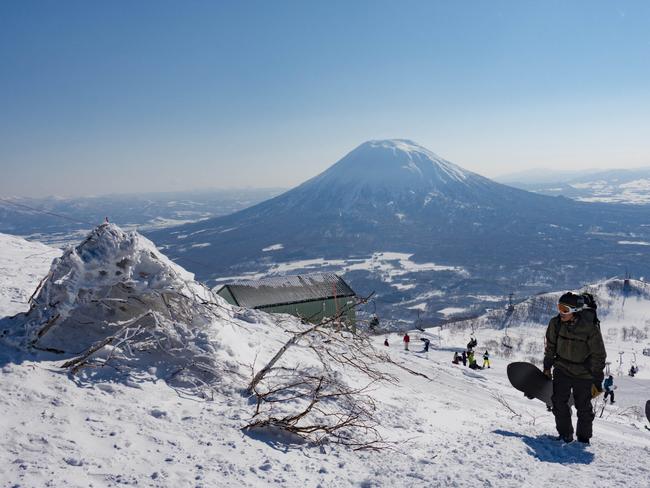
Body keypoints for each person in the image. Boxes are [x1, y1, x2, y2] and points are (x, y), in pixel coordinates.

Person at [543, 292, 607, 444]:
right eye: (559, 307)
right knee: (558, 402)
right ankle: (565, 435)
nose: (561, 313)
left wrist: (597, 378)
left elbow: (598, 354)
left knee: (583, 407)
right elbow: (550, 347)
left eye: (565, 310)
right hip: (562, 368)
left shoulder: (589, 328)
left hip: (583, 373)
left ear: (575, 310)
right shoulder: (555, 323)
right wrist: (547, 367)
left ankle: (583, 439)